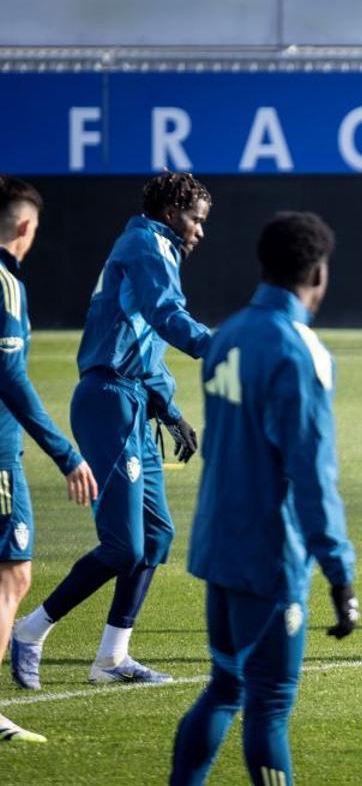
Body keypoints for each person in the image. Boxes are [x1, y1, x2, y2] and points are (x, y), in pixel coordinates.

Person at [169, 211, 358, 786]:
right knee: (270, 704)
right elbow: (311, 473)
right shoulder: (298, 350)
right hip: (268, 556)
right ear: (318, 274)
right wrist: (340, 574)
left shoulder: (227, 333)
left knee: (225, 687)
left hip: (218, 544)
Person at [12, 171, 212, 688]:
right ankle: (30, 630)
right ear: (171, 212)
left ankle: (111, 659)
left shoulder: (149, 245)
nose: (200, 231)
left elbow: (143, 342)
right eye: (196, 219)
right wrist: (225, 345)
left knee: (156, 535)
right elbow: (166, 315)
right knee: (125, 546)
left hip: (131, 400)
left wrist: (168, 410)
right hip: (109, 400)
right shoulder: (149, 244)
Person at [0, 177, 98, 741]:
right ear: (25, 226)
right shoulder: (7, 286)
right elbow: (9, 376)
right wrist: (65, 454)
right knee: (13, 572)